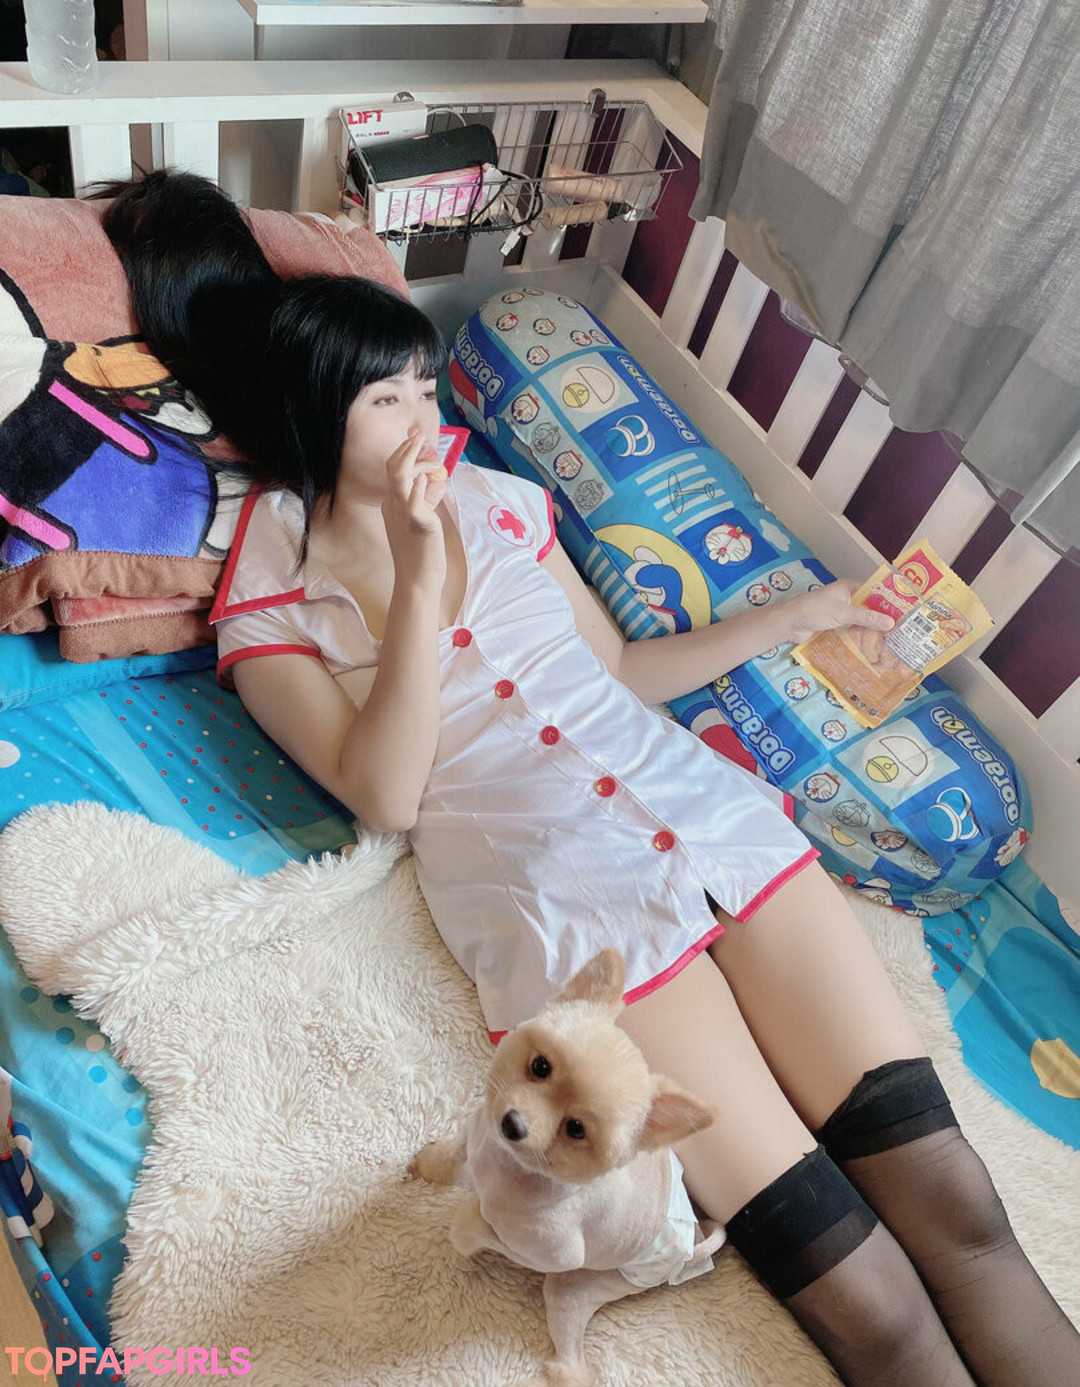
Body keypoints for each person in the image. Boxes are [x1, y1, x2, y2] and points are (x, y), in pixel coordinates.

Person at [103, 171, 1078, 1387]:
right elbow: (387, 796)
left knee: (962, 1207)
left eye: (425, 388)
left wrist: (798, 616)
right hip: (577, 916)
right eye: (384, 398)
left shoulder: (502, 502)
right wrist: (418, 579)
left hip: (718, 832)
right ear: (312, 412)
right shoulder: (270, 603)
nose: (422, 420)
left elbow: (618, 669)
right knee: (870, 1300)